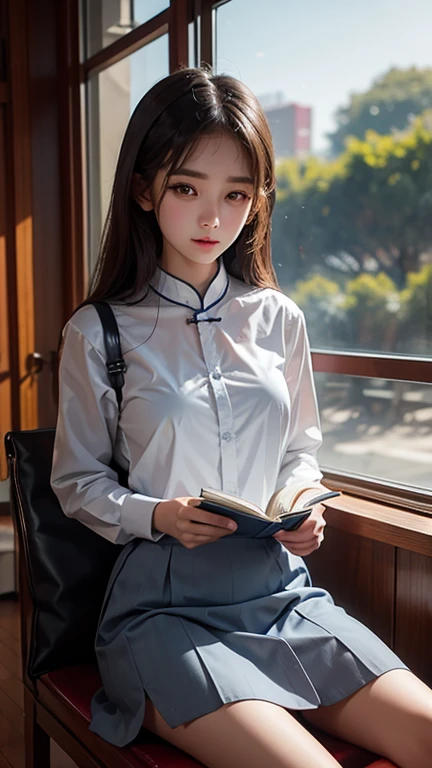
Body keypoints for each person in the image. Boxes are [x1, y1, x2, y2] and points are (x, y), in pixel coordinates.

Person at [51, 67, 432, 768]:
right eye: (187, 188)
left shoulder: (279, 318)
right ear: (143, 189)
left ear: (258, 203)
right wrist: (157, 514)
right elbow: (77, 483)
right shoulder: (98, 332)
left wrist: (300, 501)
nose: (211, 218)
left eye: (236, 195)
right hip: (162, 609)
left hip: (281, 593)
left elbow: (300, 450)